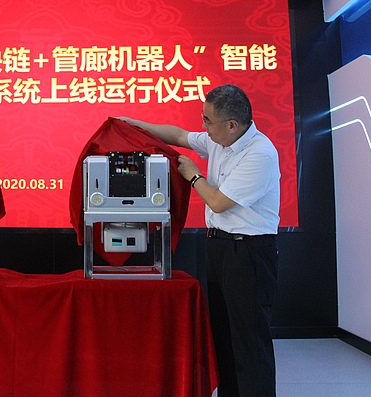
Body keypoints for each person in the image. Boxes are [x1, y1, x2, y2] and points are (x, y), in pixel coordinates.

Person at [119, 84, 280, 397]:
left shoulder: (259, 153)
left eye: (207, 121)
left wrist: (194, 176)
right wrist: (133, 124)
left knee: (248, 341)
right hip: (219, 247)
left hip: (248, 252)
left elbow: (218, 202)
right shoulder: (221, 140)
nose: (203, 126)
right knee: (224, 336)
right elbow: (179, 136)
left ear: (231, 124)